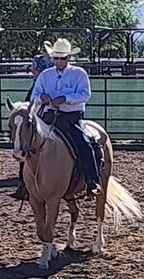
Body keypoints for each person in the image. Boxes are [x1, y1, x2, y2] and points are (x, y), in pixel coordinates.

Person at [31, 38, 101, 197]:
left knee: (84, 143)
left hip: (71, 117)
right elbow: (34, 95)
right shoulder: (45, 75)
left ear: (69, 58)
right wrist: (41, 97)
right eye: (56, 58)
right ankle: (24, 182)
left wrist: (65, 98)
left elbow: (85, 95)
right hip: (47, 116)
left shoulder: (79, 74)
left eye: (62, 58)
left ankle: (92, 180)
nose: (59, 61)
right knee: (28, 142)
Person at [12, 41, 53, 200]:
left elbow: (34, 71)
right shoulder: (51, 63)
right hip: (44, 92)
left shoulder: (41, 60)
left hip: (41, 91)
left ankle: (24, 182)